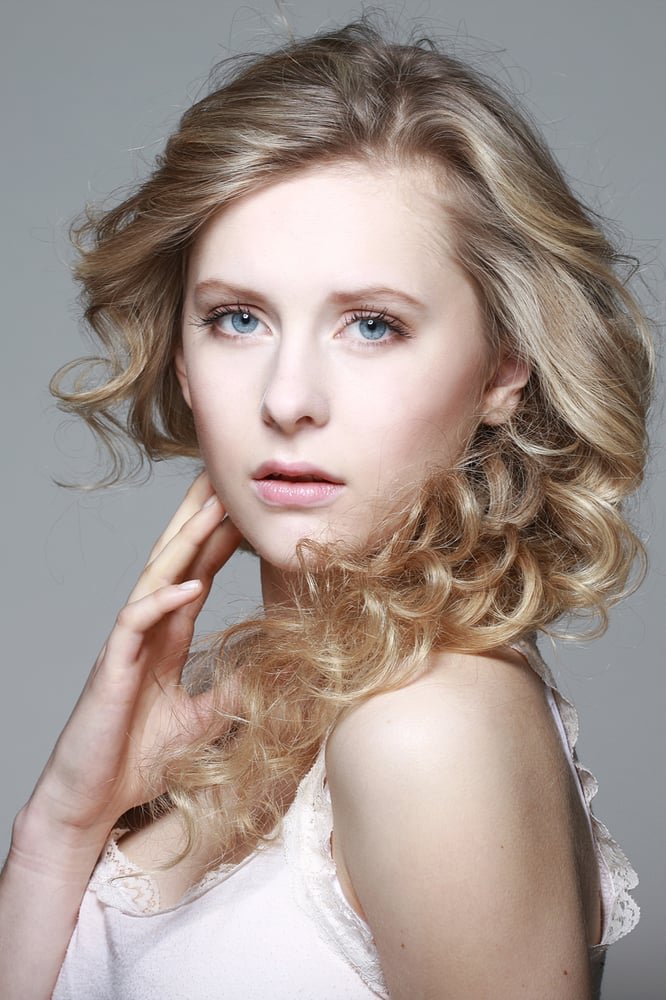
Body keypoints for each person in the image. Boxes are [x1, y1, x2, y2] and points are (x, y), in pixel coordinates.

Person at [0, 18, 653, 1000]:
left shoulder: (429, 727)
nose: (288, 397)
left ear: (502, 369)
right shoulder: (235, 701)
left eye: (373, 325)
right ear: (183, 357)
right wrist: (62, 820)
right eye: (238, 318)